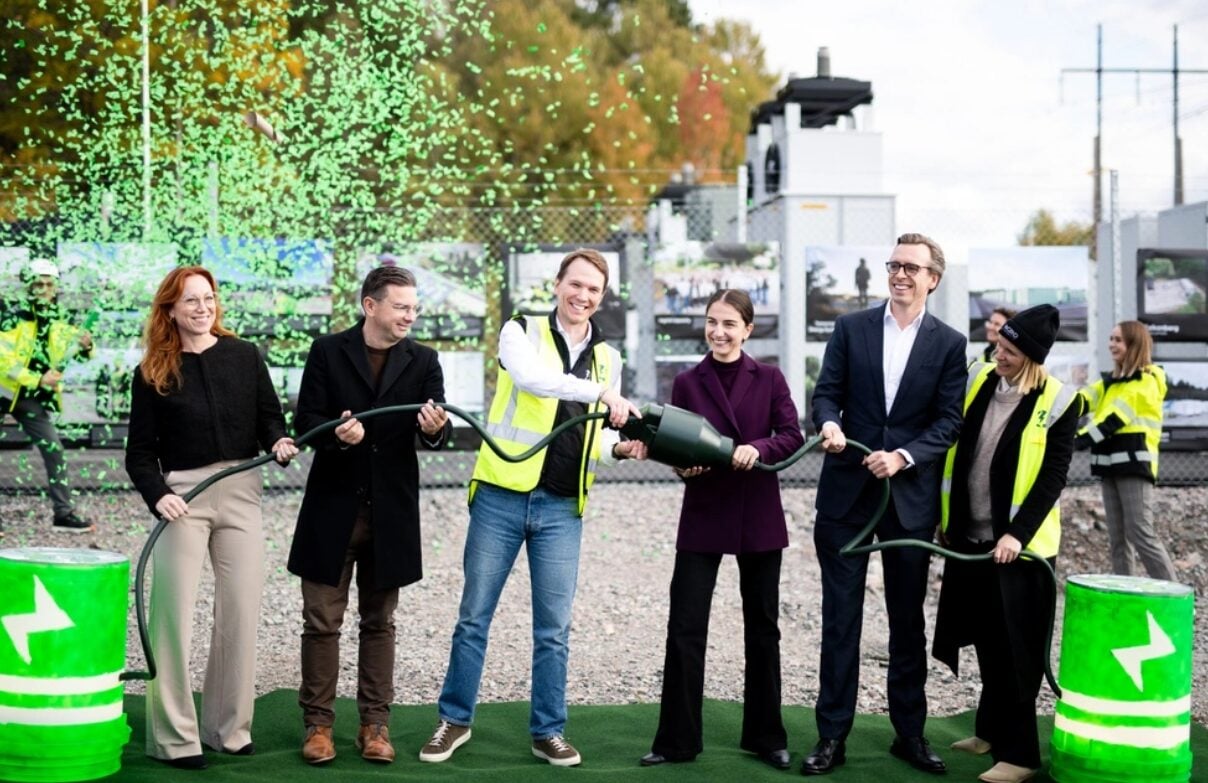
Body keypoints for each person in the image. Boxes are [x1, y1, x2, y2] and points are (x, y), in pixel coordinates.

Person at [420, 248, 647, 767]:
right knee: (474, 617)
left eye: (593, 289)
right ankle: (453, 721)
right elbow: (532, 380)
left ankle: (548, 731)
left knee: (554, 628)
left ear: (602, 297)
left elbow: (591, 438)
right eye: (576, 284)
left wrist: (620, 448)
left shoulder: (609, 359)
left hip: (563, 507)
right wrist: (601, 393)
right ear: (558, 285)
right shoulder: (519, 331)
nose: (583, 296)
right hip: (501, 496)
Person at [804, 233, 967, 776]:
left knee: (906, 622)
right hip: (848, 495)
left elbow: (948, 421)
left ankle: (910, 735)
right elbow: (826, 392)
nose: (900, 274)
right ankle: (831, 737)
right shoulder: (851, 329)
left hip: (909, 502)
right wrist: (829, 422)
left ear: (932, 280)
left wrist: (901, 457)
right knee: (840, 620)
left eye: (911, 268)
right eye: (894, 265)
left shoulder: (948, 344)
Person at [125, 266, 298, 770]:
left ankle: (228, 729)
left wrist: (278, 444)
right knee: (172, 618)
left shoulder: (244, 356)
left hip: (242, 493)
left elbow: (271, 419)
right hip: (184, 498)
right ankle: (175, 738)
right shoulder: (153, 371)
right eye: (191, 301)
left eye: (209, 298)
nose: (203, 308)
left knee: (241, 612)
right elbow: (139, 455)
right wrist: (159, 496)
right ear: (171, 311)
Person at [288, 265, 450, 766]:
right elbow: (305, 424)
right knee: (321, 621)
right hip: (331, 508)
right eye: (401, 307)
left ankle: (375, 727)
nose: (410, 316)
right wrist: (336, 436)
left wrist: (434, 427)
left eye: (414, 308)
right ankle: (318, 726)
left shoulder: (424, 360)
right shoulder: (326, 351)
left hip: (390, 515)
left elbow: (436, 431)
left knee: (380, 621)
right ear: (370, 306)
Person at [638, 289, 803, 770]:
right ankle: (676, 741)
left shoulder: (770, 377)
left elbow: (790, 434)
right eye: (712, 322)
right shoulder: (688, 381)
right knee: (685, 627)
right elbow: (675, 444)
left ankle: (766, 737)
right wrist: (681, 468)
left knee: (763, 629)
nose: (719, 332)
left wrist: (758, 449)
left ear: (748, 330)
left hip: (758, 512)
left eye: (730, 323)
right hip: (705, 512)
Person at [933, 304, 1080, 783]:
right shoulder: (982, 380)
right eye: (999, 344)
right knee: (985, 637)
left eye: (1011, 350)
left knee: (1016, 650)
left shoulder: (1059, 401)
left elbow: (1051, 479)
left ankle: (1020, 756)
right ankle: (989, 732)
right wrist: (945, 518)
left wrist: (1017, 534)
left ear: (1033, 357)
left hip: (1022, 550)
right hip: (971, 537)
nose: (999, 354)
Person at [1076, 321, 1176, 581]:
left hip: (1134, 467)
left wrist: (1074, 441)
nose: (1111, 344)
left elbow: (1113, 419)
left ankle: (1176, 599)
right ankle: (1127, 596)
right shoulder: (1110, 382)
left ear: (1134, 344)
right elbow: (1080, 400)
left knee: (1140, 533)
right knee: (1118, 540)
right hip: (1109, 467)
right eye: (1111, 338)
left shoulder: (1148, 381)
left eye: (1118, 340)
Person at [0, 258, 95, 532]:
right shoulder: (10, 316)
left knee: (54, 448)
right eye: (38, 283)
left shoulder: (58, 319)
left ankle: (63, 513)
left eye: (48, 284)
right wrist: (38, 378)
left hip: (30, 397)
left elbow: (77, 345)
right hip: (5, 389)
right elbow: (3, 359)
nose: (43, 288)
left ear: (55, 287)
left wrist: (87, 346)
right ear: (28, 286)